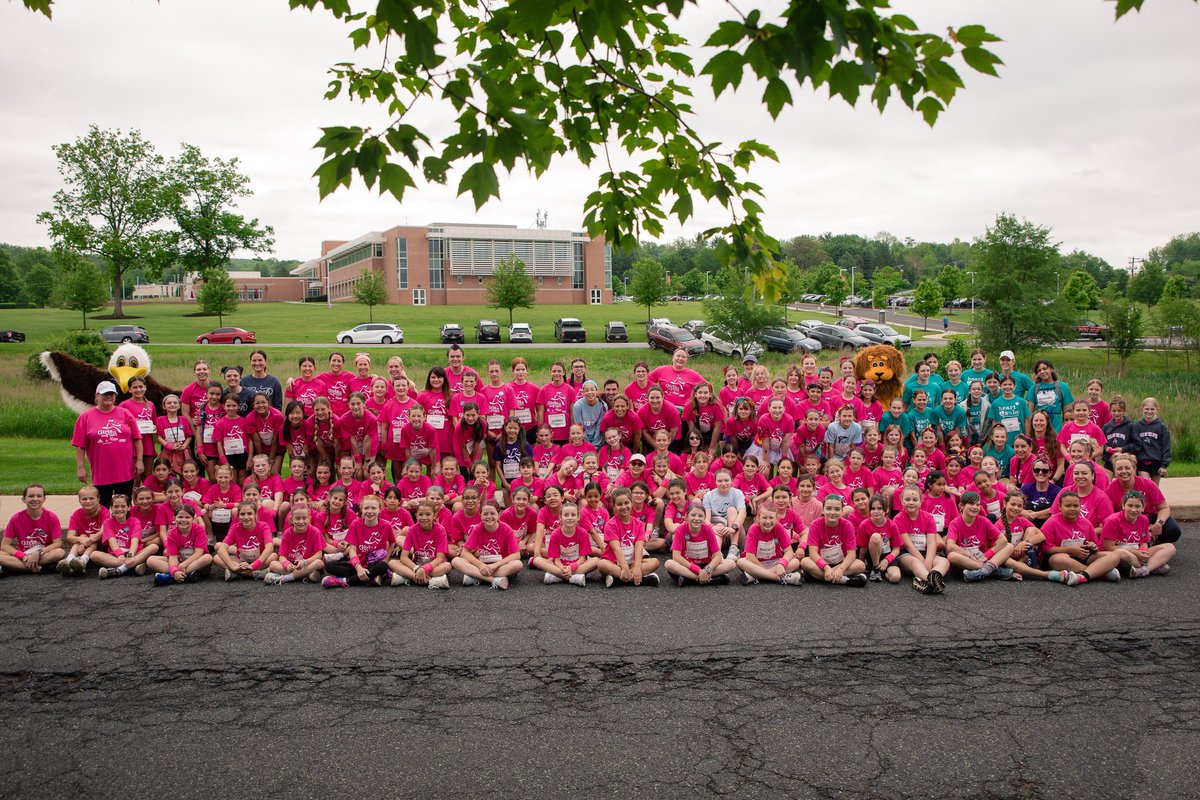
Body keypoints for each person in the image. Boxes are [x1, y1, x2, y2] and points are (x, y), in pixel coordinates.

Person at [72, 380, 143, 507]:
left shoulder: (124, 413)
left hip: (124, 471)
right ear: (97, 395)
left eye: (112, 394)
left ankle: (124, 527)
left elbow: (137, 438)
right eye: (105, 394)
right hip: (102, 472)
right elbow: (80, 445)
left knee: (124, 506)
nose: (109, 397)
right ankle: (105, 527)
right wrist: (80, 468)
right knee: (102, 507)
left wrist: (139, 460)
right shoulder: (86, 417)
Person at [1040, 491, 1122, 586]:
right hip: (1062, 557)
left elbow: (1096, 546)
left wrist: (1093, 546)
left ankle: (1083, 575)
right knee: (1057, 560)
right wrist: (1071, 550)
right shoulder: (1051, 522)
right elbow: (1046, 549)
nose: (1072, 509)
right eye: (1068, 506)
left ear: (1080, 507)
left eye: (1075, 506)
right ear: (1059, 507)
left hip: (1083, 557)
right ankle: (1100, 572)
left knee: (1114, 556)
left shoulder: (1086, 523)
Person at [1100, 490, 1176, 578]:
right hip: (1120, 553)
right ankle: (1153, 565)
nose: (1133, 510)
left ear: (1143, 508)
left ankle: (1144, 570)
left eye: (1137, 506)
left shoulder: (1144, 520)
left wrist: (1143, 551)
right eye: (1130, 505)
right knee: (1121, 553)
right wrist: (1135, 553)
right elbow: (1109, 547)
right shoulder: (1112, 521)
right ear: (1123, 506)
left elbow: (1144, 541)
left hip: (1136, 552)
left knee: (1170, 547)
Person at [451, 501, 524, 590]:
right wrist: (480, 565)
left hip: (500, 566)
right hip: (483, 564)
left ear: (498, 515)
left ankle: (477, 577)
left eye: (492, 513)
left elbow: (516, 555)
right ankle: (493, 580)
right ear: (481, 516)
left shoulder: (506, 529)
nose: (489, 517)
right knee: (456, 561)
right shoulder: (477, 528)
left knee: (518, 564)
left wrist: (495, 565)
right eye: (485, 514)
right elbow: (465, 553)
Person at [944, 491, 1016, 581]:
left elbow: (1003, 540)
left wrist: (987, 555)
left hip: (983, 558)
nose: (975, 507)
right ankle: (990, 570)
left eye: (977, 505)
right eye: (971, 504)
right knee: (952, 555)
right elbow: (950, 546)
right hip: (966, 562)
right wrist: (968, 555)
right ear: (961, 506)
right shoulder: (955, 523)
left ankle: (981, 572)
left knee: (1009, 546)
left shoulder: (984, 520)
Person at [596, 489, 660, 587]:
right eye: (619, 504)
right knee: (601, 565)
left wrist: (637, 567)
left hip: (631, 562)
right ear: (614, 506)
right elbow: (616, 548)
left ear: (632, 503)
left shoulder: (639, 524)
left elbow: (639, 548)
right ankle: (642, 579)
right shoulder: (611, 524)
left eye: (626, 503)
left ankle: (619, 579)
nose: (623, 507)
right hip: (614, 562)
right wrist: (624, 567)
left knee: (655, 562)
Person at [800, 495, 867, 586]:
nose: (832, 512)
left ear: (842, 511)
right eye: (828, 508)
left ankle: (816, 577)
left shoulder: (848, 525)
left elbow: (851, 554)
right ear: (823, 510)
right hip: (821, 564)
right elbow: (813, 553)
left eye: (837, 509)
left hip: (841, 563)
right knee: (805, 562)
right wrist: (826, 567)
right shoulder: (815, 525)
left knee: (860, 565)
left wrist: (841, 569)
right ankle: (844, 580)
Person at [664, 503, 737, 586]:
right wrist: (698, 571)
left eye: (700, 516)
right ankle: (706, 579)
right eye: (693, 515)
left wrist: (707, 570)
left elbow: (717, 556)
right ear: (686, 517)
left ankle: (690, 579)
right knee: (669, 564)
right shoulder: (680, 530)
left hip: (706, 564)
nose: (696, 518)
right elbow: (676, 557)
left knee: (731, 564)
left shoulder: (708, 530)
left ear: (705, 518)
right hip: (688, 565)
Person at [0, 484, 65, 577]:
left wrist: (38, 553)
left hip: (43, 554)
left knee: (59, 552)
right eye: (30, 496)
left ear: (44, 499)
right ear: (24, 499)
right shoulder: (16, 518)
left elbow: (57, 543)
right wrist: (23, 556)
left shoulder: (52, 517)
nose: (35, 499)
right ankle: (42, 569)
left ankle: (11, 568)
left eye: (39, 496)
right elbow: (4, 545)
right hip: (24, 554)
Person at [531, 502, 598, 586]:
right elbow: (556, 560)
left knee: (596, 561)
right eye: (566, 515)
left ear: (578, 517)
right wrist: (562, 568)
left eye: (573, 515)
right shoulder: (555, 534)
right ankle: (573, 577)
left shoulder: (583, 533)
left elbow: (582, 559)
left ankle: (558, 576)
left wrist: (571, 567)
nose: (570, 518)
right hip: (560, 564)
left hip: (577, 564)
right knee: (537, 560)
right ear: (560, 517)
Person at [146, 505, 213, 585]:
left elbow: (198, 553)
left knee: (208, 557)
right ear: (174, 519)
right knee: (151, 560)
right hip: (180, 561)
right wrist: (174, 570)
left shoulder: (199, 529)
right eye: (180, 517)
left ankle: (170, 577)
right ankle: (186, 575)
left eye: (187, 517)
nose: (183, 520)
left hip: (196, 563)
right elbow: (173, 557)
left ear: (193, 519)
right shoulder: (171, 533)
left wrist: (183, 565)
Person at [736, 504, 802, 585]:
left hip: (775, 563)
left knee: (795, 562)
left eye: (771, 518)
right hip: (756, 563)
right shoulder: (753, 529)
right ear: (758, 518)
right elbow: (750, 556)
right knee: (741, 562)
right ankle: (780, 578)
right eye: (764, 518)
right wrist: (763, 569)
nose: (768, 521)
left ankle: (755, 576)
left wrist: (781, 564)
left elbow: (789, 551)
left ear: (777, 519)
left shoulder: (779, 527)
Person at [263, 506, 330, 585]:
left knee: (319, 563)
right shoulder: (287, 533)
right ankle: (304, 575)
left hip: (307, 564)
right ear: (291, 519)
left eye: (304, 518)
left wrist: (304, 562)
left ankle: (285, 578)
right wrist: (286, 564)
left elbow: (318, 555)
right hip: (292, 566)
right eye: (297, 518)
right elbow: (282, 556)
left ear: (309, 519)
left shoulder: (315, 531)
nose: (301, 522)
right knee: (273, 564)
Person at [1132, 397, 1171, 483]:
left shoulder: (1162, 427)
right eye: (1146, 409)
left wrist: (1164, 465)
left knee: (1154, 488)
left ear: (1157, 409)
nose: (1149, 411)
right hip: (1142, 461)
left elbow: (1166, 447)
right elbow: (1134, 444)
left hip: (1156, 462)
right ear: (1142, 409)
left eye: (1152, 409)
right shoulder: (1137, 426)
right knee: (1145, 484)